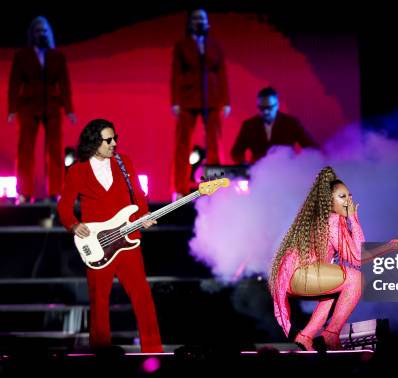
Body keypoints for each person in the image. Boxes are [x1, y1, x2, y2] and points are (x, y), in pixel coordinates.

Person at [270, 166, 398, 350]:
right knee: (355, 279)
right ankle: (330, 335)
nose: (349, 201)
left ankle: (306, 336)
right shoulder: (331, 221)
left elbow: (356, 255)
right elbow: (357, 258)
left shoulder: (331, 220)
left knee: (338, 288)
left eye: (349, 196)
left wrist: (389, 246)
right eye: (342, 197)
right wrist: (354, 219)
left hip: (297, 276)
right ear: (329, 201)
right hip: (299, 273)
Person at [57, 119, 163, 353]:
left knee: (142, 297)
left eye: (115, 138)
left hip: (128, 241)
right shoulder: (77, 170)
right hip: (97, 244)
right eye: (108, 140)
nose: (114, 143)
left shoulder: (124, 163)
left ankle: (153, 349)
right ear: (94, 142)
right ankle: (101, 353)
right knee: (99, 302)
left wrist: (143, 215)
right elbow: (64, 207)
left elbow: (138, 194)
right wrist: (74, 225)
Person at [8, 16, 77, 204]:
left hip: (52, 105)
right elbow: (15, 82)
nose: (41, 33)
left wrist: (69, 109)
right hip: (28, 106)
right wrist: (12, 108)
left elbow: (64, 84)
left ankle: (56, 192)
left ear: (49, 33)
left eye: (44, 30)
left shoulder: (56, 56)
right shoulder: (22, 55)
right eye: (38, 30)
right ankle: (24, 193)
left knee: (54, 150)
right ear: (32, 33)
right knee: (25, 150)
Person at [171, 8, 231, 199]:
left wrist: (226, 101)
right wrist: (175, 101)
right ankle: (179, 188)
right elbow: (175, 74)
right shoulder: (182, 45)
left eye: (203, 19)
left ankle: (214, 187)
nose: (200, 22)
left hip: (211, 97)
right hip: (188, 98)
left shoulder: (214, 45)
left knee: (214, 144)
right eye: (196, 19)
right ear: (190, 23)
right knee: (183, 145)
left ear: (208, 23)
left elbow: (221, 73)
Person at [231, 87, 318, 164]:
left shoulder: (291, 123)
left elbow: (311, 147)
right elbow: (236, 152)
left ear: (277, 105)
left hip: (287, 172)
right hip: (259, 174)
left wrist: (301, 164)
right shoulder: (249, 126)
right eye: (261, 108)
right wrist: (244, 164)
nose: (265, 112)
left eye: (269, 107)